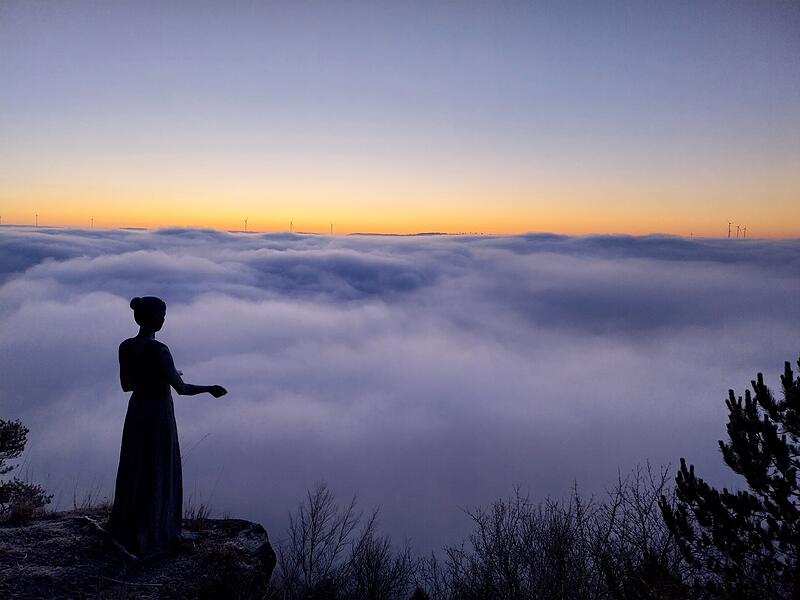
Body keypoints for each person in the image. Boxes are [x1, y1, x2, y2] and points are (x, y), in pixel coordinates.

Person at [109, 296, 227, 557]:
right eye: (162, 315)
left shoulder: (125, 347)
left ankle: (129, 528)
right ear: (153, 318)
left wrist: (152, 378)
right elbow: (182, 390)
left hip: (137, 411)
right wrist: (210, 389)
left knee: (135, 467)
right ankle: (159, 531)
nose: (164, 319)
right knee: (159, 468)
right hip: (158, 414)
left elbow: (126, 385)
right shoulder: (160, 351)